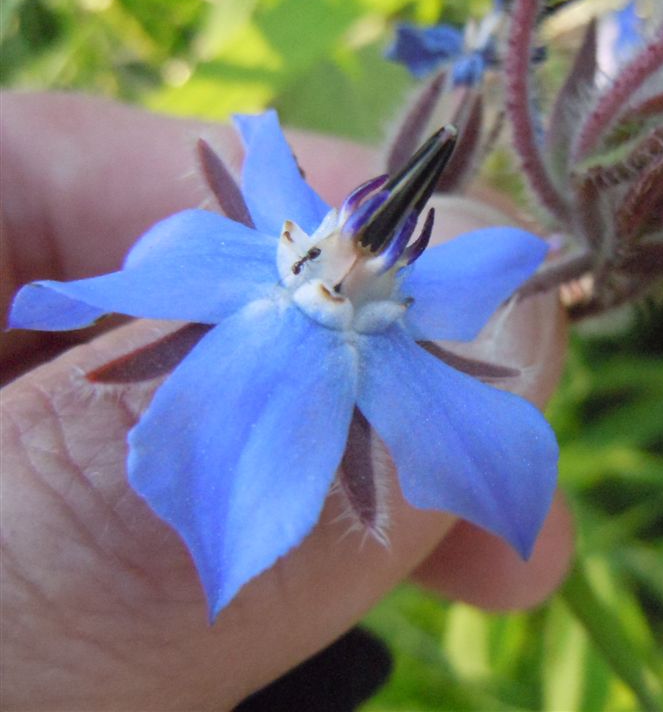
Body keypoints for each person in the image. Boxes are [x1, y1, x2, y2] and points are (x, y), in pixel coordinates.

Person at [0, 92, 573, 710]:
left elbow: (499, 474)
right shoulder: (227, 252)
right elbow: (80, 295)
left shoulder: (438, 320)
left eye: (374, 247)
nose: (358, 242)